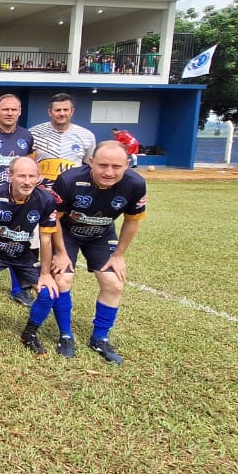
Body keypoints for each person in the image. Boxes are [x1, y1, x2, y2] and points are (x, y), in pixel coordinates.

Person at [47, 141, 147, 364]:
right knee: (62, 279)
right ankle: (65, 335)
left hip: (101, 235)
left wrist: (119, 255)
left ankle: (100, 338)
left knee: (114, 283)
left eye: (116, 166)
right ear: (91, 162)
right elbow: (54, 221)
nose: (108, 172)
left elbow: (131, 222)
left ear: (127, 165)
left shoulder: (136, 184)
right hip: (67, 234)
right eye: (102, 165)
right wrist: (61, 253)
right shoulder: (69, 180)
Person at [0, 156, 61, 356]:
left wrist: (45, 274)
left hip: (24, 254)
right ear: (10, 176)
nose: (27, 181)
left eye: (32, 176)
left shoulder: (46, 199)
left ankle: (30, 333)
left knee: (49, 292)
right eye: (21, 176)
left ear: (38, 178)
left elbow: (46, 239)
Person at [0, 93, 37, 306]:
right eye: (5, 109)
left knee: (17, 241)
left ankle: (19, 289)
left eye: (14, 109)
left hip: (18, 202)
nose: (9, 113)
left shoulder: (27, 136)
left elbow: (30, 166)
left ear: (20, 112)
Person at [29, 92, 97, 187]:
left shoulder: (87, 135)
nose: (62, 113)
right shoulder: (33, 133)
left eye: (65, 110)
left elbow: (90, 166)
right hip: (41, 192)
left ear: (72, 111)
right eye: (57, 110)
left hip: (72, 190)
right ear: (49, 112)